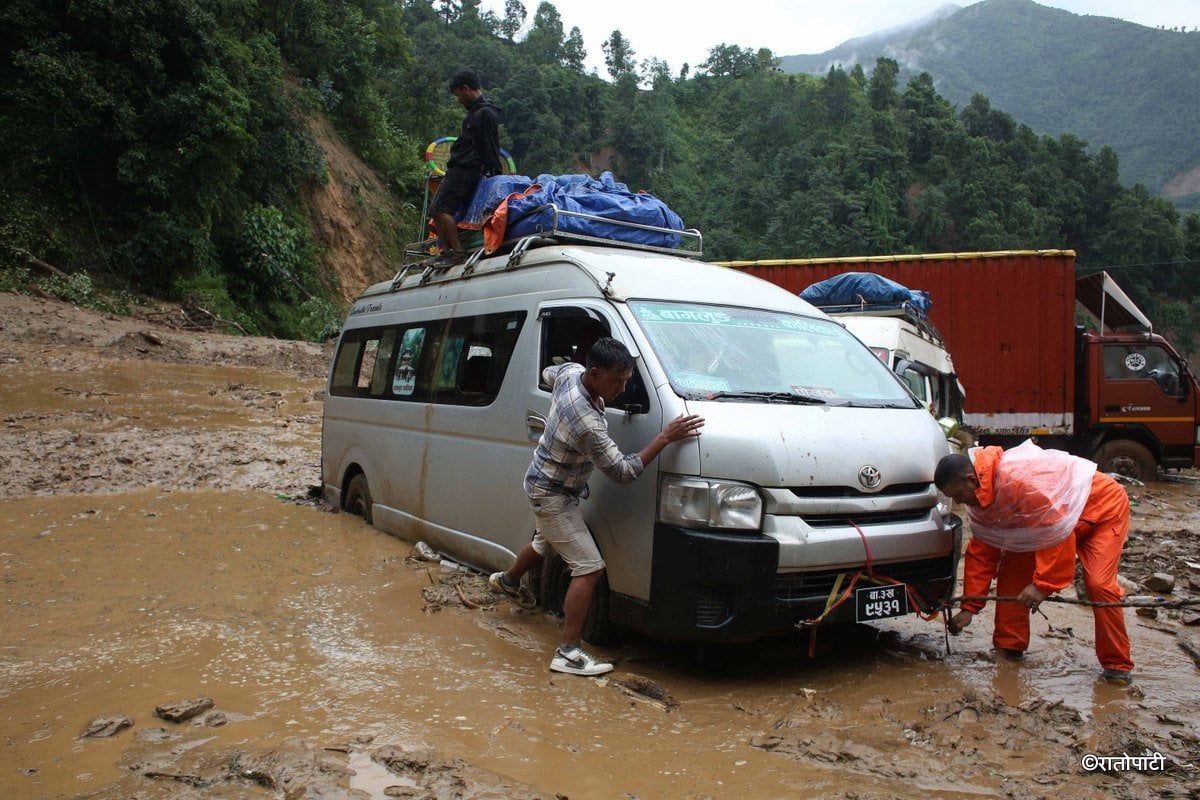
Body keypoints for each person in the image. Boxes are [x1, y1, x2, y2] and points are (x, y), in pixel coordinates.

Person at [489, 338, 705, 676]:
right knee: (589, 568)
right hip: (552, 494)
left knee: (545, 543)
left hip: (542, 481)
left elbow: (550, 373)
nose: (622, 387)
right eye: (616, 380)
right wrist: (664, 437)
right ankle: (568, 652)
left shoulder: (570, 373)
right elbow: (622, 471)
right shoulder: (586, 421)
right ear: (594, 374)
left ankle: (507, 581)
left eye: (626, 379)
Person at [934, 441, 1135, 684]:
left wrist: (1043, 585)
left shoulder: (1019, 482)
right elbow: (984, 551)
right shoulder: (981, 498)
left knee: (1099, 585)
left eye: (957, 495)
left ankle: (1117, 665)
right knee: (1011, 575)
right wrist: (969, 608)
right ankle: (1010, 648)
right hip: (1044, 526)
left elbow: (1057, 529)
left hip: (1100, 511)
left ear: (970, 480)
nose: (959, 502)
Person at [430, 69, 505, 267]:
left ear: (465, 89)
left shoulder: (485, 113)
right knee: (436, 211)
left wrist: (495, 175)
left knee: (440, 210)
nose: (459, 100)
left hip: (467, 169)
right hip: (460, 169)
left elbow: (490, 146)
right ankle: (448, 252)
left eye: (458, 95)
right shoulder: (475, 113)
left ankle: (456, 253)